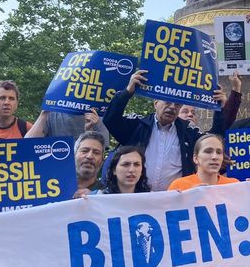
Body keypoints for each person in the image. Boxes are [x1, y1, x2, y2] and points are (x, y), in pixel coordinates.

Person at [102, 69, 234, 191]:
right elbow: (110, 120)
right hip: (139, 197)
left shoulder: (189, 132)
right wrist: (127, 92)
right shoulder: (138, 126)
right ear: (156, 103)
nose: (172, 107)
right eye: (167, 102)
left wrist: (219, 110)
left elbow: (213, 139)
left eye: (177, 105)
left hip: (175, 199)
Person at [168, 134, 239, 192]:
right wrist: (188, 196)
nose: (215, 157)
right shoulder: (179, 185)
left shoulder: (234, 185)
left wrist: (249, 192)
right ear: (195, 158)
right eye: (208, 151)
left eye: (219, 152)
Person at [25, 109, 110, 147]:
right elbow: (28, 143)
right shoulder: (51, 113)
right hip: (55, 172)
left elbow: (99, 153)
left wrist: (89, 131)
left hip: (84, 174)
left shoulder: (97, 115)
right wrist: (44, 113)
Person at [72, 131, 106, 198]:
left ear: (102, 161)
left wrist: (95, 198)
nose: (90, 156)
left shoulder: (108, 194)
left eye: (96, 153)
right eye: (84, 151)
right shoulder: (54, 189)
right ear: (73, 156)